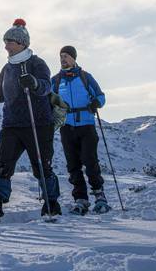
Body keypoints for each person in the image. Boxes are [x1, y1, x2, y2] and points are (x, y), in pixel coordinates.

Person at [0, 19, 61, 223]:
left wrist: (34, 83)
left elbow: (45, 87)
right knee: (3, 165)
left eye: (10, 42)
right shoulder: (7, 69)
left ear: (22, 44)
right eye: (5, 42)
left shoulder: (37, 63)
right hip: (11, 125)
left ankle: (52, 204)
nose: (6, 46)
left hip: (38, 124)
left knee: (42, 166)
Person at [52, 45, 109, 215]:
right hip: (66, 126)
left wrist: (96, 103)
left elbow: (101, 96)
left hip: (86, 124)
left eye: (67, 56)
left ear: (74, 58)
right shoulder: (55, 80)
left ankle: (99, 196)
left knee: (90, 160)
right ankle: (80, 199)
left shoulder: (85, 77)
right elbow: (49, 99)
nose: (63, 59)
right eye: (61, 56)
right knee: (73, 164)